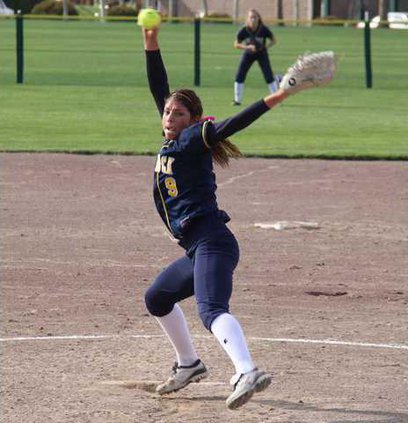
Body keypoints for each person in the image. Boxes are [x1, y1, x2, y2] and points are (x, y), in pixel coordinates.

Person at [140, 26, 333, 410]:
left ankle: (247, 370)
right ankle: (190, 364)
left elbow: (233, 124)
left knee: (211, 310)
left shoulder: (193, 138)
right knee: (157, 297)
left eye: (178, 113)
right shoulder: (174, 139)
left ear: (193, 119)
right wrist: (150, 42)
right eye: (167, 111)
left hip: (212, 241)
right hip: (197, 247)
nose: (168, 116)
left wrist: (277, 95)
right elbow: (159, 86)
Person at [233, 9, 279, 106]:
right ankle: (237, 101)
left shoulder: (263, 29)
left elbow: (274, 40)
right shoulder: (244, 30)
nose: (253, 19)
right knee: (240, 75)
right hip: (248, 53)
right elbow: (236, 44)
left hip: (261, 53)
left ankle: (276, 100)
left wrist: (265, 47)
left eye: (255, 17)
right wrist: (247, 47)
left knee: (269, 76)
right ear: (248, 19)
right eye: (251, 17)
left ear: (258, 18)